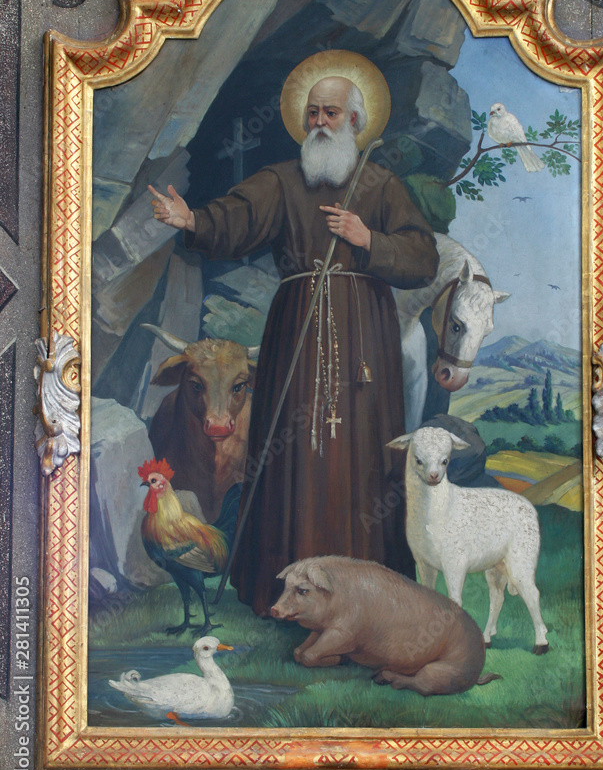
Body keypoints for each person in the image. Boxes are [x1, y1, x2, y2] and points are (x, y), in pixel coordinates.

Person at [149, 50, 438, 616]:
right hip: (296, 333)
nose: (319, 123)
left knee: (361, 452)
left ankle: (366, 593)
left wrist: (367, 240)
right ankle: (285, 589)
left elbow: (423, 258)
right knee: (292, 456)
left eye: (331, 113)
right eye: (311, 114)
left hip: (365, 339)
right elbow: (236, 217)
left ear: (356, 121)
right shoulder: (282, 180)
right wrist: (193, 222)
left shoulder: (381, 185)